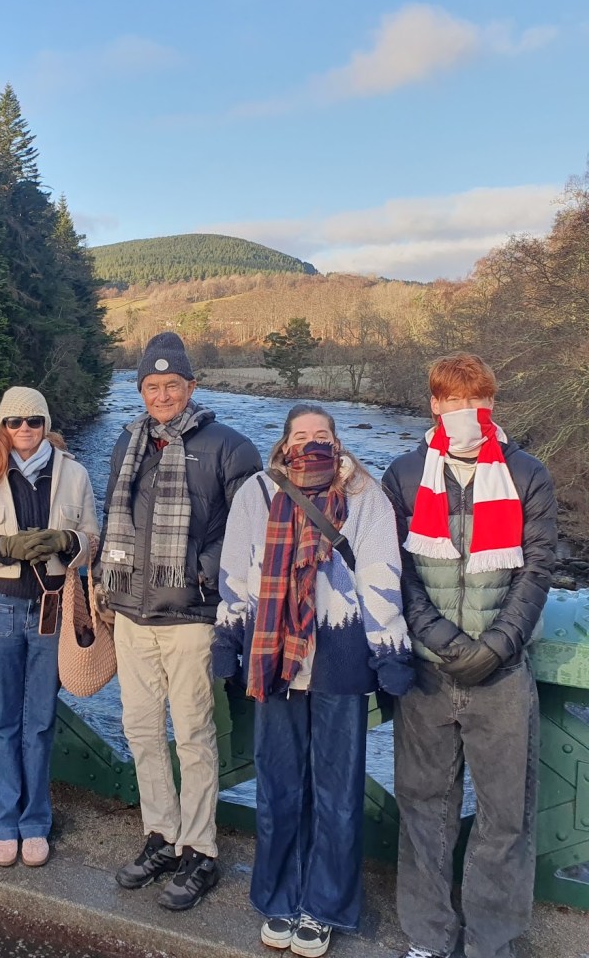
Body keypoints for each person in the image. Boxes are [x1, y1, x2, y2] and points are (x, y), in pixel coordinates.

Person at [214, 404, 414, 957]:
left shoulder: (365, 494)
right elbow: (237, 570)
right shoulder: (256, 492)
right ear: (283, 443)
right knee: (278, 787)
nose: (311, 443)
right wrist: (227, 637)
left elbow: (380, 574)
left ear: (336, 440)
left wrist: (389, 649)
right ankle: (278, 896)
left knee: (338, 793)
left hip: (341, 659)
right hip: (275, 658)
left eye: (321, 435)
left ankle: (324, 907)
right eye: (300, 435)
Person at [382, 353, 557, 958]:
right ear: (434, 404)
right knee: (424, 808)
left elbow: (538, 569)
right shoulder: (404, 474)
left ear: (491, 405)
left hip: (502, 677)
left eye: (476, 401)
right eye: (453, 401)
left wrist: (499, 645)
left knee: (505, 817)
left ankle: (491, 941)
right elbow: (394, 571)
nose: (465, 413)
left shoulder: (527, 473)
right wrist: (441, 640)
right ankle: (429, 937)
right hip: (429, 675)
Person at [98, 332, 262, 911]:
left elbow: (248, 530)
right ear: (140, 390)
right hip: (132, 612)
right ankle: (161, 835)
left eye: (172, 384)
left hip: (191, 614)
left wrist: (201, 574)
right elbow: (113, 516)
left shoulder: (230, 446)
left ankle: (200, 849)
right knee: (142, 730)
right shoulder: (128, 443)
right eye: (151, 385)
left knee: (193, 735)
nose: (162, 394)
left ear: (191, 386)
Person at [0, 387, 99, 869]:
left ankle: (36, 820)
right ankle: (4, 820)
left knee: (40, 721)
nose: (25, 430)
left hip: (53, 607)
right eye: (14, 422)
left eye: (34, 421)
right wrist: (1, 550)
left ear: (45, 422)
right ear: (2, 428)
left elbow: (93, 541)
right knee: (5, 721)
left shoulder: (74, 473)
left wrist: (67, 540)